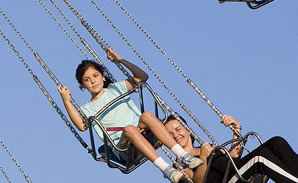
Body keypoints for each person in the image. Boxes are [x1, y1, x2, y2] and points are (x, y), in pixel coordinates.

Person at [58, 49, 203, 183]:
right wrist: (66, 102)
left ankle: (181, 154)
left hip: (143, 132)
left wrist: (120, 60)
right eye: (87, 80)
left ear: (102, 77)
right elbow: (81, 126)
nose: (93, 81)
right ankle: (166, 169)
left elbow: (143, 77)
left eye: (95, 76)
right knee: (129, 129)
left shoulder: (115, 88)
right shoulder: (87, 108)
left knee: (146, 115)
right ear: (83, 85)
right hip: (123, 147)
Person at [165, 113, 298, 183]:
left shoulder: (207, 147)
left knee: (276, 142)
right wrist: (203, 158)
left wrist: (236, 129)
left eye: (178, 129)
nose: (176, 135)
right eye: (170, 134)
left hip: (236, 172)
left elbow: (234, 157)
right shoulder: (179, 164)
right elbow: (197, 181)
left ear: (187, 130)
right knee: (260, 157)